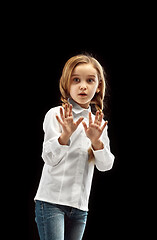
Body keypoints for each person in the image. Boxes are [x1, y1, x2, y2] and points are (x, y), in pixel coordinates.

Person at [34, 54, 115, 240]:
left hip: (80, 207)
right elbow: (49, 158)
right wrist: (65, 136)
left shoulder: (97, 123)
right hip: (51, 202)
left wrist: (96, 142)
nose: (83, 86)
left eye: (90, 80)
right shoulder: (57, 114)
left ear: (99, 86)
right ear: (66, 83)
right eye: (76, 80)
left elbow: (106, 165)